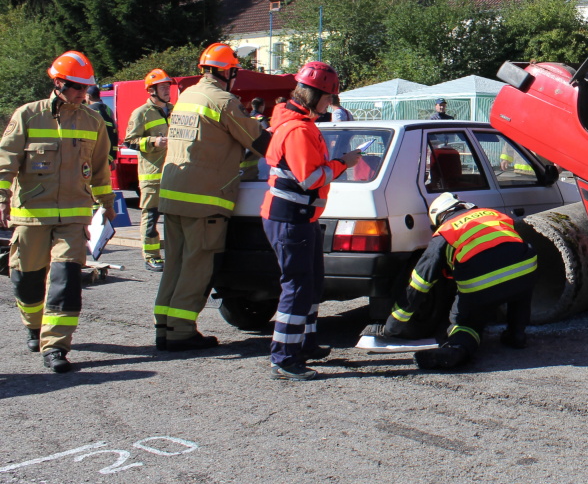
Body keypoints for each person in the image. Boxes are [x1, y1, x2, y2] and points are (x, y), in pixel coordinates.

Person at [0, 52, 116, 373]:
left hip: (74, 217)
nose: (83, 93)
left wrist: (107, 205)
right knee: (26, 279)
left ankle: (56, 347)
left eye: (86, 87)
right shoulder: (28, 115)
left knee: (66, 278)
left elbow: (100, 170)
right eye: (76, 86)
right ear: (58, 82)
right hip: (30, 215)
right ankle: (33, 325)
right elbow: (5, 159)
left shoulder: (93, 122)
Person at [157, 43, 270, 351]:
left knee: (175, 265)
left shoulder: (187, 96)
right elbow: (259, 141)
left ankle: (164, 327)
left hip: (173, 194)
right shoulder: (223, 101)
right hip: (203, 199)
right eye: (234, 71)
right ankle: (180, 331)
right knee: (197, 266)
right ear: (226, 72)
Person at [260, 62, 361, 380]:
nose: (331, 104)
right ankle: (285, 358)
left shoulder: (294, 122)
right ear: (316, 95)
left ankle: (305, 344)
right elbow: (312, 178)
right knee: (298, 286)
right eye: (329, 98)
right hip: (292, 218)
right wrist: (343, 163)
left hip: (298, 217)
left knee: (311, 283)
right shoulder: (300, 129)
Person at [366, 193, 538, 370]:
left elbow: (420, 283)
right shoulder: (492, 214)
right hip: (525, 266)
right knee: (519, 290)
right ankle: (517, 334)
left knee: (466, 321)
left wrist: (392, 326)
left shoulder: (446, 231)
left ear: (440, 218)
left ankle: (456, 349)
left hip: (479, 281)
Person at [124, 69, 174, 271]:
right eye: (162, 87)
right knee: (151, 217)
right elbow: (129, 141)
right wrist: (154, 141)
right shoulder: (141, 113)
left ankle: (173, 254)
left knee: (174, 218)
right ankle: (151, 256)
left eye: (167, 87)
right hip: (152, 176)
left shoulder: (173, 110)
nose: (167, 90)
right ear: (151, 91)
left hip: (174, 174)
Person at [86, 84, 118, 164]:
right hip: (107, 155)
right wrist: (112, 158)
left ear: (88, 96)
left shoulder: (87, 111)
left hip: (92, 155)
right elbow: (114, 131)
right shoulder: (108, 110)